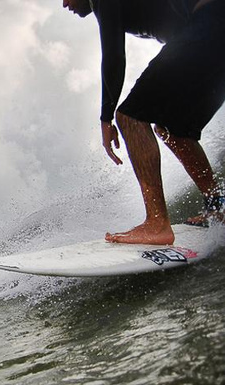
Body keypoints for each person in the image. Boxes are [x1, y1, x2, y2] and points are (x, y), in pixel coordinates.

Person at [63, 0, 225, 244]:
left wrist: (106, 117)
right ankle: (218, 206)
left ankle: (157, 223)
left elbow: (114, 55)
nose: (65, 4)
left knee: (129, 117)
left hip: (211, 23)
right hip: (212, 32)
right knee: (175, 130)